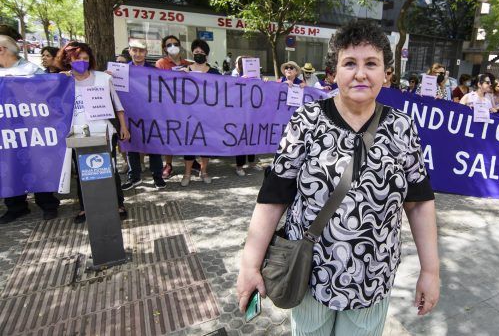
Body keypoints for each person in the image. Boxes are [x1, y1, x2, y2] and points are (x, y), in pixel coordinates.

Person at [236, 20, 439, 335]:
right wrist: (250, 265)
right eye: (350, 63)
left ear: (386, 73)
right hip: (309, 277)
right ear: (334, 72)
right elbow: (273, 197)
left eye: (371, 63)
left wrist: (431, 270)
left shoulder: (402, 127)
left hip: (372, 281)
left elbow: (419, 203)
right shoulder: (306, 121)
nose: (360, 73)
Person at [56, 41, 129, 223]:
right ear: (67, 60)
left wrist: (123, 127)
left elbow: (117, 104)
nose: (82, 61)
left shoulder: (104, 78)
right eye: (76, 59)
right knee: (83, 172)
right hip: (76, 135)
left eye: (85, 58)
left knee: (109, 169)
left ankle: (118, 203)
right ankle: (85, 207)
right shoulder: (63, 81)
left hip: (103, 132)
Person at [0, 35, 59, 223]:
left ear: (2, 50)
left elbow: (49, 95)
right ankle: (16, 206)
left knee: (38, 164)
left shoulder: (32, 70)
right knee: (8, 166)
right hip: (7, 132)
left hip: (33, 130)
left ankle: (48, 204)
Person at [119, 40, 166, 190]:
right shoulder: (122, 71)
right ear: (130, 51)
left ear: (146, 52)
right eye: (135, 50)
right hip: (130, 115)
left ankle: (157, 177)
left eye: (141, 51)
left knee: (154, 147)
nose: (138, 54)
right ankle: (134, 178)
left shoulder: (154, 71)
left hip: (151, 115)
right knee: (131, 147)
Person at [180, 39, 220, 186]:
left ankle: (204, 172)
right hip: (189, 114)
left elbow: (227, 88)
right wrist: (180, 76)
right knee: (189, 144)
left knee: (206, 144)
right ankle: (187, 174)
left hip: (208, 115)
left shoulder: (215, 73)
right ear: (192, 53)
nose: (199, 54)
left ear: (207, 55)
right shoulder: (184, 70)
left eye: (202, 53)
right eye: (196, 52)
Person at [155, 35, 192, 179]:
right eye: (169, 44)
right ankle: (168, 164)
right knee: (169, 135)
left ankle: (190, 162)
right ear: (164, 48)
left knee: (188, 133)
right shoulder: (161, 63)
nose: (172, 46)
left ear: (180, 45)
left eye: (175, 44)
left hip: (186, 106)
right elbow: (158, 82)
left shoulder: (188, 63)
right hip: (168, 106)